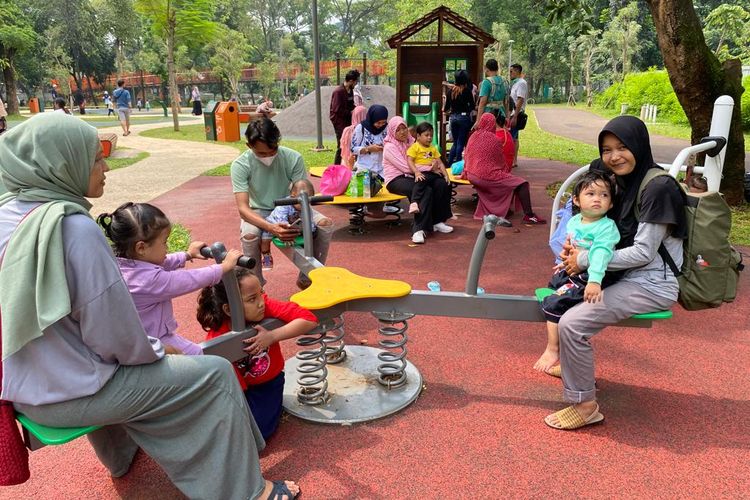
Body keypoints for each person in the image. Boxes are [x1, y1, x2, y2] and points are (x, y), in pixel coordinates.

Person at [0, 113, 300, 499]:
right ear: (62, 163)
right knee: (214, 374)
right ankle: (248, 491)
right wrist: (163, 348)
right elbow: (115, 338)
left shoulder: (10, 215)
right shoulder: (72, 228)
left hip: (27, 387)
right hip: (71, 394)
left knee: (128, 366)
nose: (105, 166)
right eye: (96, 158)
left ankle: (121, 457)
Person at [546, 115, 686, 430]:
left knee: (571, 324)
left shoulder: (657, 188)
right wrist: (574, 251)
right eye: (607, 149)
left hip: (651, 284)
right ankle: (573, 364)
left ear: (639, 145)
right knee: (559, 295)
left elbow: (643, 253)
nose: (614, 156)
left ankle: (585, 406)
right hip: (623, 275)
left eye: (623, 147)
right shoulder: (619, 182)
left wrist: (584, 261)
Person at [98, 201, 242, 355]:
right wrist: (223, 268)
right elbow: (188, 279)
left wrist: (187, 255)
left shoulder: (126, 266)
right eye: (164, 242)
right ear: (141, 247)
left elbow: (162, 262)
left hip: (141, 337)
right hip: (154, 340)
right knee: (201, 358)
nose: (166, 248)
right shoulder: (147, 281)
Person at [198, 268, 317, 439]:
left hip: (268, 383)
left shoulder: (265, 305)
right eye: (252, 299)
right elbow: (231, 387)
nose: (261, 302)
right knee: (225, 428)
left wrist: (272, 336)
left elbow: (308, 318)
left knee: (259, 433)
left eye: (261, 293)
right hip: (237, 389)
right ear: (229, 309)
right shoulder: (217, 337)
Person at [231, 117, 333, 289]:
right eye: (262, 154)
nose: (269, 156)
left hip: (290, 205)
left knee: (325, 223)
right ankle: (256, 286)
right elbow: (243, 209)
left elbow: (302, 194)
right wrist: (271, 228)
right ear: (249, 146)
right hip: (258, 210)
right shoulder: (240, 165)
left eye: (273, 150)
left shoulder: (293, 157)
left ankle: (308, 277)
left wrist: (299, 218)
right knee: (250, 235)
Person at [535, 171, 619, 374]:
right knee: (554, 284)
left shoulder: (606, 228)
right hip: (575, 271)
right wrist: (563, 260)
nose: (597, 199)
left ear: (611, 204)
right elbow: (569, 244)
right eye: (590, 194)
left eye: (604, 195)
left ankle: (552, 349)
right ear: (576, 200)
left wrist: (595, 282)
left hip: (591, 276)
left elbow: (600, 255)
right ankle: (568, 352)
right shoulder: (575, 221)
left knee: (554, 303)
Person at [463, 113, 546, 225]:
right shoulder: (495, 139)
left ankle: (497, 210)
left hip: (471, 174)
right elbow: (500, 163)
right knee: (522, 184)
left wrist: (466, 171)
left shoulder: (473, 136)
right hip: (486, 176)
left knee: (503, 181)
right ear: (493, 124)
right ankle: (529, 215)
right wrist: (506, 171)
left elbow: (467, 156)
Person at [383, 116, 454, 244]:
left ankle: (437, 221)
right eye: (398, 130)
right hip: (396, 179)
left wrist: (434, 166)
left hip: (416, 174)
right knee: (425, 191)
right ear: (392, 132)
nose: (402, 132)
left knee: (441, 184)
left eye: (404, 128)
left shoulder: (412, 141)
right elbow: (405, 167)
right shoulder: (389, 147)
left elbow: (428, 157)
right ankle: (418, 229)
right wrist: (429, 168)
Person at [259, 179, 317, 271]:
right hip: (275, 224)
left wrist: (311, 230)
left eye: (308, 201)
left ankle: (307, 260)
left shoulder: (306, 207)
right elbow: (281, 220)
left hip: (293, 226)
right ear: (292, 197)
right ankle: (266, 256)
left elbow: (309, 221)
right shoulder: (284, 205)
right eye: (300, 202)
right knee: (265, 239)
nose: (305, 205)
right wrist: (286, 233)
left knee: (309, 237)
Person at [406, 122, 450, 217]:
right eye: (426, 135)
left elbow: (440, 163)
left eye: (431, 135)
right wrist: (417, 172)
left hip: (433, 173)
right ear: (418, 136)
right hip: (422, 172)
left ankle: (445, 214)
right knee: (422, 179)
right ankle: (414, 202)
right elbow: (410, 161)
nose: (429, 138)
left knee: (444, 184)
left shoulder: (433, 148)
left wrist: (446, 175)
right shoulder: (415, 147)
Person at [443, 69, 475, 167]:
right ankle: (458, 164)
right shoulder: (467, 91)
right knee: (461, 142)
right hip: (464, 118)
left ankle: (449, 164)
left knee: (455, 143)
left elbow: (446, 108)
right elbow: (472, 106)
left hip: (453, 118)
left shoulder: (450, 92)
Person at [329, 69, 360, 165]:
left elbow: (351, 104)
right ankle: (336, 167)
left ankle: (349, 165)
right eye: (355, 82)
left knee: (351, 143)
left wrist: (357, 109)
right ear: (351, 81)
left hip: (348, 121)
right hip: (339, 122)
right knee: (341, 145)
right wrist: (351, 112)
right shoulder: (338, 92)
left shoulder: (350, 90)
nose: (356, 84)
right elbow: (337, 110)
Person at [350, 104, 388, 176]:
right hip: (364, 169)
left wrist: (385, 147)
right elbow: (352, 149)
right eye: (378, 122)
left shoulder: (387, 128)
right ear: (372, 118)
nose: (381, 125)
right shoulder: (361, 128)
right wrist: (368, 149)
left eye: (383, 122)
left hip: (382, 170)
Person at [472, 59, 509, 131]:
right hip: (501, 114)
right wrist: (507, 117)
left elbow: (482, 102)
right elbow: (506, 102)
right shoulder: (505, 81)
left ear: (486, 68)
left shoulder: (486, 82)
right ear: (497, 68)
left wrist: (478, 120)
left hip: (489, 114)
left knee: (488, 137)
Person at [508, 63, 528, 168]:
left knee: (512, 137)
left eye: (511, 71)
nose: (510, 74)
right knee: (514, 137)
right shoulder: (515, 83)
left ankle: (512, 159)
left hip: (516, 113)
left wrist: (515, 116)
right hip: (512, 112)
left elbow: (520, 99)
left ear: (517, 71)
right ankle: (513, 160)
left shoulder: (521, 83)